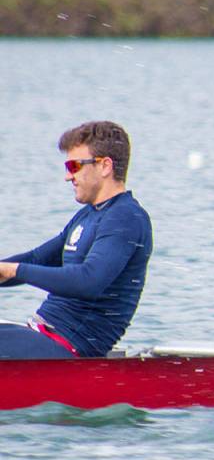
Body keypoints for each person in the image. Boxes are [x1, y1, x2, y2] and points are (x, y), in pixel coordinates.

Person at [0, 121, 153, 359]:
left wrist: (14, 270)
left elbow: (88, 281)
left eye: (74, 166)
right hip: (42, 335)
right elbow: (38, 258)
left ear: (105, 166)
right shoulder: (88, 214)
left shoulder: (126, 218)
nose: (67, 176)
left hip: (70, 348)